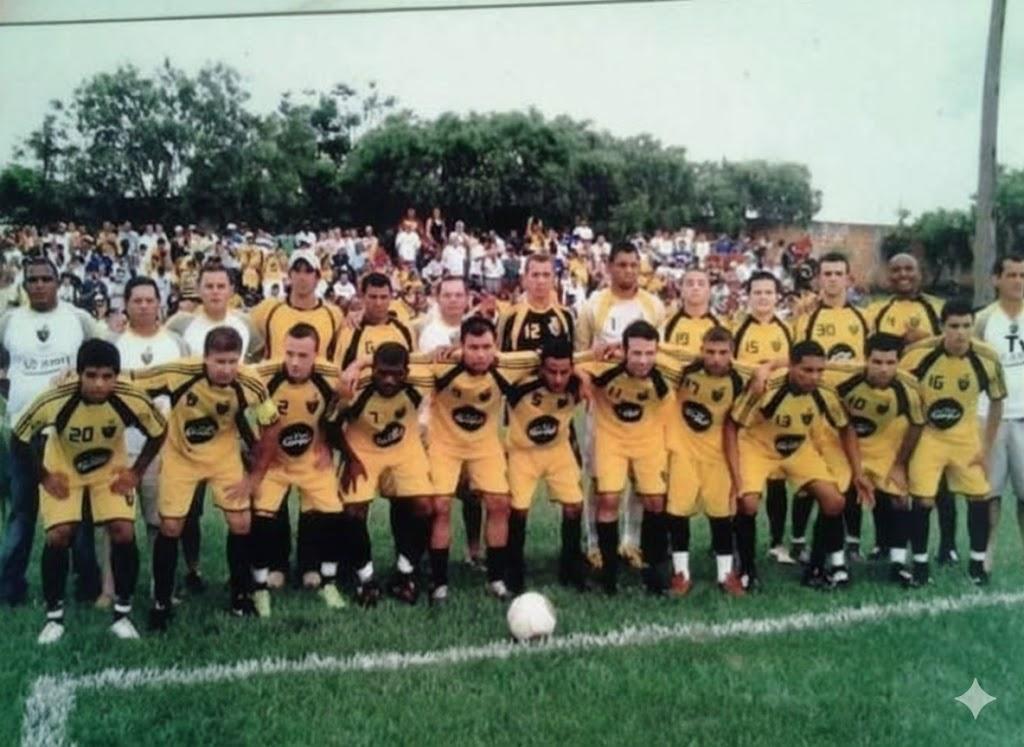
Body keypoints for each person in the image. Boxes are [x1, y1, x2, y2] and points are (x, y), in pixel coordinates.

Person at [14, 340, 166, 643]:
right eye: (92, 375)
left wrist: (136, 472)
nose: (100, 384)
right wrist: (43, 477)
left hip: (109, 467)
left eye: (108, 376)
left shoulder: (130, 397)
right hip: (63, 467)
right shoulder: (55, 398)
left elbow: (158, 431)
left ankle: (122, 614)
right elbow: (18, 438)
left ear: (117, 376)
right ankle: (53, 617)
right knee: (59, 534)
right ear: (78, 374)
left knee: (123, 530)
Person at [131, 327, 281, 629]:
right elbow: (131, 377)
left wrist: (255, 476)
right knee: (171, 526)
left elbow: (272, 426)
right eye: (219, 361)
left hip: (223, 456)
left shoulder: (251, 381)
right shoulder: (179, 372)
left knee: (241, 522)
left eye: (231, 361)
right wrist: (73, 375)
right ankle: (161, 602)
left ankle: (241, 596)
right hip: (181, 457)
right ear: (206, 358)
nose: (226, 369)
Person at [727, 340, 872, 590]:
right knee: (748, 503)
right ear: (792, 367)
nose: (814, 376)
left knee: (834, 501)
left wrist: (858, 472)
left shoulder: (825, 392)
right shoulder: (767, 387)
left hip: (797, 448)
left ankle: (815, 568)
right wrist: (735, 476)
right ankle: (747, 569)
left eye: (819, 371)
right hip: (757, 447)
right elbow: (732, 425)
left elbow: (846, 428)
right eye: (807, 370)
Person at [0, 256, 101, 606]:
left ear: (59, 283)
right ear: (24, 285)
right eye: (33, 280)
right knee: (22, 511)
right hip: (22, 435)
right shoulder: (9, 321)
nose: (39, 285)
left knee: (79, 512)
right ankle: (9, 587)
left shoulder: (79, 319)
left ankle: (87, 586)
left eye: (46, 278)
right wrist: (12, 395)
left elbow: (101, 362)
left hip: (69, 434)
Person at [418, 317, 535, 602]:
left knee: (499, 503)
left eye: (486, 347)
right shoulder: (441, 364)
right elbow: (395, 359)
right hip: (444, 444)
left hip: (484, 445)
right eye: (473, 347)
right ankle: (439, 583)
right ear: (461, 346)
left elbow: (557, 357)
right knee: (441, 506)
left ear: (496, 347)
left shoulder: (506, 365)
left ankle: (495, 579)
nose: (480, 354)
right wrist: (359, 365)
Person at [249, 249, 345, 589]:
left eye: (309, 271)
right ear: (288, 274)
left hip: (313, 410)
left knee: (313, 495)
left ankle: (309, 564)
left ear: (319, 277)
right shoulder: (268, 311)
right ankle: (276, 563)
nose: (302, 276)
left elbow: (336, 366)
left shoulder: (333, 314)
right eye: (297, 270)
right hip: (275, 408)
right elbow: (256, 354)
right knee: (272, 495)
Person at [900, 299, 1006, 586]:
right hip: (928, 438)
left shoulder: (987, 357)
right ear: (941, 327)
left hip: (965, 438)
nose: (961, 333)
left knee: (979, 497)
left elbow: (997, 401)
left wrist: (986, 445)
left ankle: (976, 567)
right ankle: (920, 567)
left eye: (966, 326)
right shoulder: (918, 355)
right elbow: (901, 393)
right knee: (923, 499)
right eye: (954, 326)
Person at [576, 242, 666, 571]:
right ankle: (595, 544)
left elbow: (660, 354)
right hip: (603, 410)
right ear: (609, 267)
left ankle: (631, 542)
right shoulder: (593, 305)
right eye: (622, 265)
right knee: (601, 481)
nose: (628, 271)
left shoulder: (653, 306)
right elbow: (580, 356)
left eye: (633, 265)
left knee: (640, 482)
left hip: (641, 410)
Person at [576, 320, 674, 594]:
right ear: (624, 350)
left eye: (649, 353)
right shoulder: (605, 367)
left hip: (648, 440)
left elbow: (694, 359)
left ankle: (654, 573)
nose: (643, 361)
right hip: (612, 441)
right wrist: (583, 368)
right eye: (637, 353)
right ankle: (608, 575)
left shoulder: (666, 369)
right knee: (608, 498)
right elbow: (560, 360)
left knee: (655, 501)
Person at [335, 343, 435, 605]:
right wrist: (350, 459)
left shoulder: (421, 380)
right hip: (362, 451)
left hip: (405, 449)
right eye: (382, 373)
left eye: (396, 374)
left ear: (407, 371)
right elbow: (331, 425)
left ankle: (404, 574)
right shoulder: (357, 387)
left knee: (425, 507)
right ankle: (365, 579)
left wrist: (361, 360)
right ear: (374, 370)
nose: (389, 380)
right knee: (353, 511)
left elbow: (444, 356)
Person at [826, 333, 925, 586]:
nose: (884, 369)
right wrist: (768, 367)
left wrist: (900, 464)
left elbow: (916, 424)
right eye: (877, 362)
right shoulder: (843, 375)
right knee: (836, 499)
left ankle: (898, 564)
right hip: (844, 448)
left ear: (898, 362)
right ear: (865, 359)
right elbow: (796, 363)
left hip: (882, 449)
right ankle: (838, 565)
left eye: (890, 363)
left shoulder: (910, 387)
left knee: (900, 498)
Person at [112, 277, 189, 598]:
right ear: (126, 305)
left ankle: (163, 587)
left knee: (160, 523)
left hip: (164, 450)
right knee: (116, 525)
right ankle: (111, 588)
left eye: (149, 300)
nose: (143, 306)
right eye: (137, 300)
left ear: (159, 303)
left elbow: (184, 395)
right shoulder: (113, 343)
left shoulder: (176, 343)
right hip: (121, 448)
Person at [661, 326, 747, 596]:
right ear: (701, 350)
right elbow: (657, 353)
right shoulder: (685, 371)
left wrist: (765, 373)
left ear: (732, 353)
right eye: (710, 352)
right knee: (677, 513)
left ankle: (725, 575)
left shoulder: (739, 378)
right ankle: (681, 574)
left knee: (721, 515)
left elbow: (775, 366)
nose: (716, 358)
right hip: (683, 453)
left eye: (723, 353)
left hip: (717, 456)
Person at [504, 339, 586, 593]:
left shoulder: (577, 384)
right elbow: (500, 362)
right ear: (541, 368)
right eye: (552, 371)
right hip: (522, 453)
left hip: (557, 450)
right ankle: (513, 571)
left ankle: (570, 567)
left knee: (574, 506)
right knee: (518, 511)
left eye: (565, 371)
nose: (559, 378)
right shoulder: (520, 386)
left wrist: (584, 375)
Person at [732, 270, 795, 566]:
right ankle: (734, 539)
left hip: (778, 417)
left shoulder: (787, 328)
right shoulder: (738, 329)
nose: (763, 298)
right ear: (748, 296)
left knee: (777, 482)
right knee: (743, 483)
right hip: (747, 417)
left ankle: (778, 542)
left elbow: (798, 360)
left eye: (768, 293)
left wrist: (769, 365)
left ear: (777, 296)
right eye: (757, 292)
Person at [973, 254, 1024, 572]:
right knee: (989, 492)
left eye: (1022, 275)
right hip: (989, 418)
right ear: (996, 279)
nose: (1018, 281)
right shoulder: (982, 320)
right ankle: (986, 553)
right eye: (1011, 275)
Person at [166, 261, 262, 359]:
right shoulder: (181, 324)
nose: (215, 292)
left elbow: (259, 356)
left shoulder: (245, 322)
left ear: (231, 291)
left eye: (221, 286)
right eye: (209, 286)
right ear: (198, 289)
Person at [498, 253, 574, 352]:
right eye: (535, 275)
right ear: (525, 278)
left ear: (553, 279)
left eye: (546, 275)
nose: (541, 281)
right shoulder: (509, 317)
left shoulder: (566, 316)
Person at [661, 269, 723, 358]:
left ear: (709, 292)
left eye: (701, 284)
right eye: (690, 284)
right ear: (682, 291)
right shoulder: (667, 324)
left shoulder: (719, 325)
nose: (695, 288)